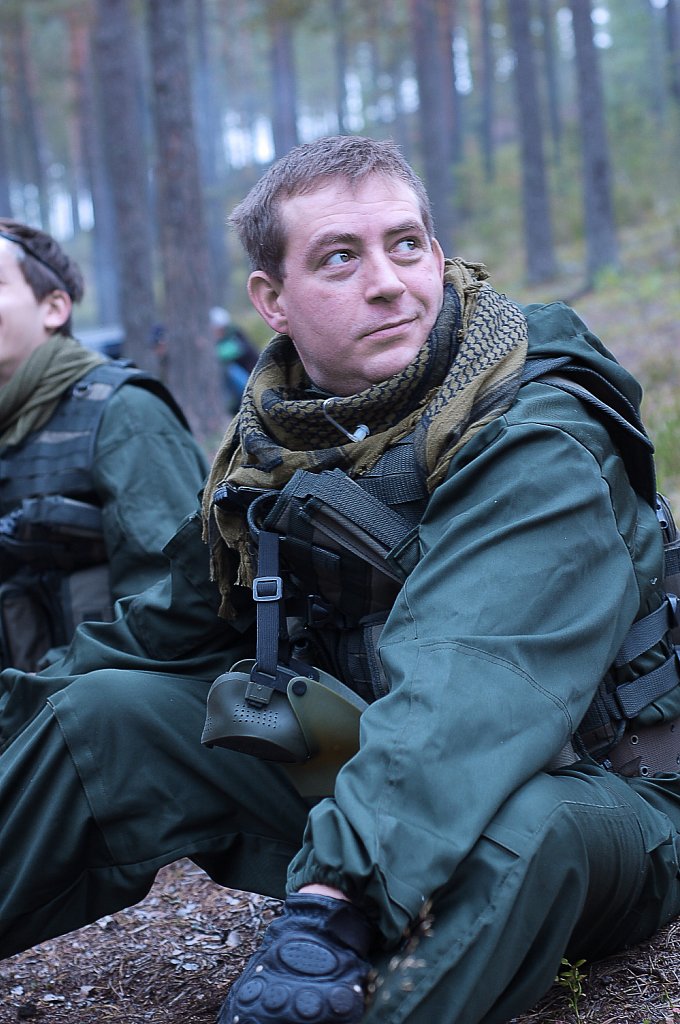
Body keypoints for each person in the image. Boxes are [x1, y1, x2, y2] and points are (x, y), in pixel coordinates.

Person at [1, 135, 680, 1024]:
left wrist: (331, 901)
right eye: (339, 258)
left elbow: (468, 681)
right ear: (272, 301)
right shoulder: (270, 446)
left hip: (602, 792)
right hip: (392, 777)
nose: (389, 282)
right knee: (105, 715)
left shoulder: (535, 428)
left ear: (437, 253)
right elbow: (162, 632)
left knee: (518, 835)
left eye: (406, 245)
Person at [0, 219, 210, 673]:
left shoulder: (126, 415)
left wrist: (29, 693)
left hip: (90, 700)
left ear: (53, 308)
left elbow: (176, 603)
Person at [211, 305, 259, 415]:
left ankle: (247, 398)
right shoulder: (227, 337)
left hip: (250, 376)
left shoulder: (234, 334)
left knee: (230, 370)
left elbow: (229, 352)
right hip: (246, 377)